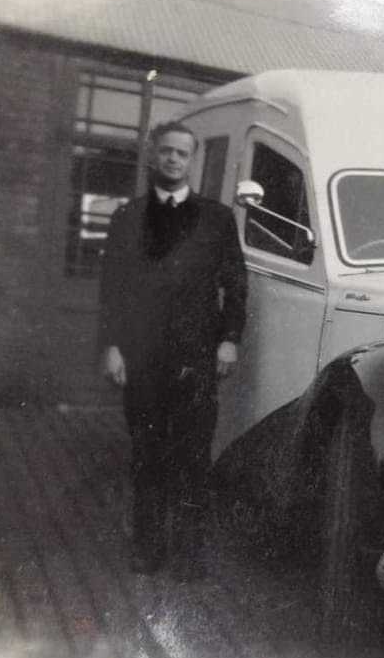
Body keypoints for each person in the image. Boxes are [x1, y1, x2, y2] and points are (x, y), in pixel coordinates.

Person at [99, 120, 247, 580]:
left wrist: (229, 340)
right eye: (166, 152)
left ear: (192, 160)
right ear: (152, 155)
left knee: (191, 458)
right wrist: (110, 346)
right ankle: (147, 549)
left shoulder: (217, 219)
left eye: (182, 154)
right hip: (141, 357)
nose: (173, 160)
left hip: (196, 359)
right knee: (146, 454)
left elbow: (235, 285)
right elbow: (111, 290)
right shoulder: (127, 218)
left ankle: (188, 555)